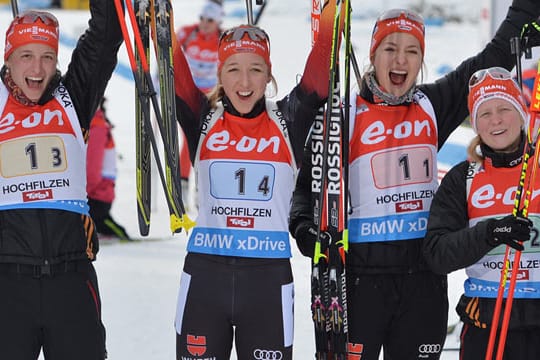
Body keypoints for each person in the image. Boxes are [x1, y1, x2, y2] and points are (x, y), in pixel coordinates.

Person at [288, 2, 540, 359]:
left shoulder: (432, 104)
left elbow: (493, 56)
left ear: (421, 60)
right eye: (390, 49)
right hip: (360, 282)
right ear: (374, 55)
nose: (400, 61)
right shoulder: (343, 117)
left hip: (423, 281)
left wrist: (525, 9)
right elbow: (305, 190)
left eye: (412, 51)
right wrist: (304, 229)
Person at [171, 0, 343, 358]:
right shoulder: (203, 119)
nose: (245, 82)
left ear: (269, 74)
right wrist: (159, 15)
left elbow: (322, 66)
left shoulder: (289, 120)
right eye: (233, 69)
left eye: (256, 70)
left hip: (267, 280)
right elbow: (168, 60)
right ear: (219, 75)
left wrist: (330, 12)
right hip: (205, 275)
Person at [0, 3, 123, 359]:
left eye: (47, 57)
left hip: (72, 279)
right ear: (9, 58)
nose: (37, 69)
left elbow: (105, 33)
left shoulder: (75, 98)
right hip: (7, 281)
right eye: (25, 56)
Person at [423, 67, 539, 359]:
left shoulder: (537, 168)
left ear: (522, 114)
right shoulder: (464, 178)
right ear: (475, 123)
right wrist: (491, 232)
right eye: (484, 113)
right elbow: (437, 254)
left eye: (504, 108)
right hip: (487, 323)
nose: (496, 120)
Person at [176, 0, 224, 203]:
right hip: (188, 93)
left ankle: (202, 185)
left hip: (212, 97)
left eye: (210, 20)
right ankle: (183, 183)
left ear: (218, 21)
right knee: (189, 137)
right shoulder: (187, 34)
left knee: (209, 139)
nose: (204, 23)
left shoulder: (222, 38)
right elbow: (170, 57)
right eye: (202, 18)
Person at [87, 97, 130, 241]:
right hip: (95, 191)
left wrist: (83, 191)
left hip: (97, 194)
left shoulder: (96, 127)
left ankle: (119, 234)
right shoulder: (93, 124)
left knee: (99, 219)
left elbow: (92, 169)